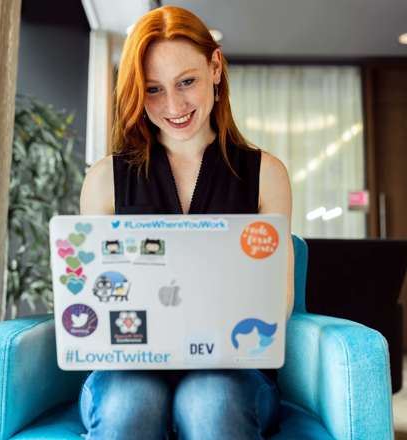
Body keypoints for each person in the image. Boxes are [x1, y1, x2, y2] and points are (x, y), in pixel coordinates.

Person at [79, 5, 294, 439]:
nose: (173, 106)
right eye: (154, 90)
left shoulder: (265, 174)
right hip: (129, 368)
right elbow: (95, 296)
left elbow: (278, 295)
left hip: (233, 368)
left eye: (187, 82)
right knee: (129, 404)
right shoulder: (105, 180)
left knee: (209, 401)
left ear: (215, 67)